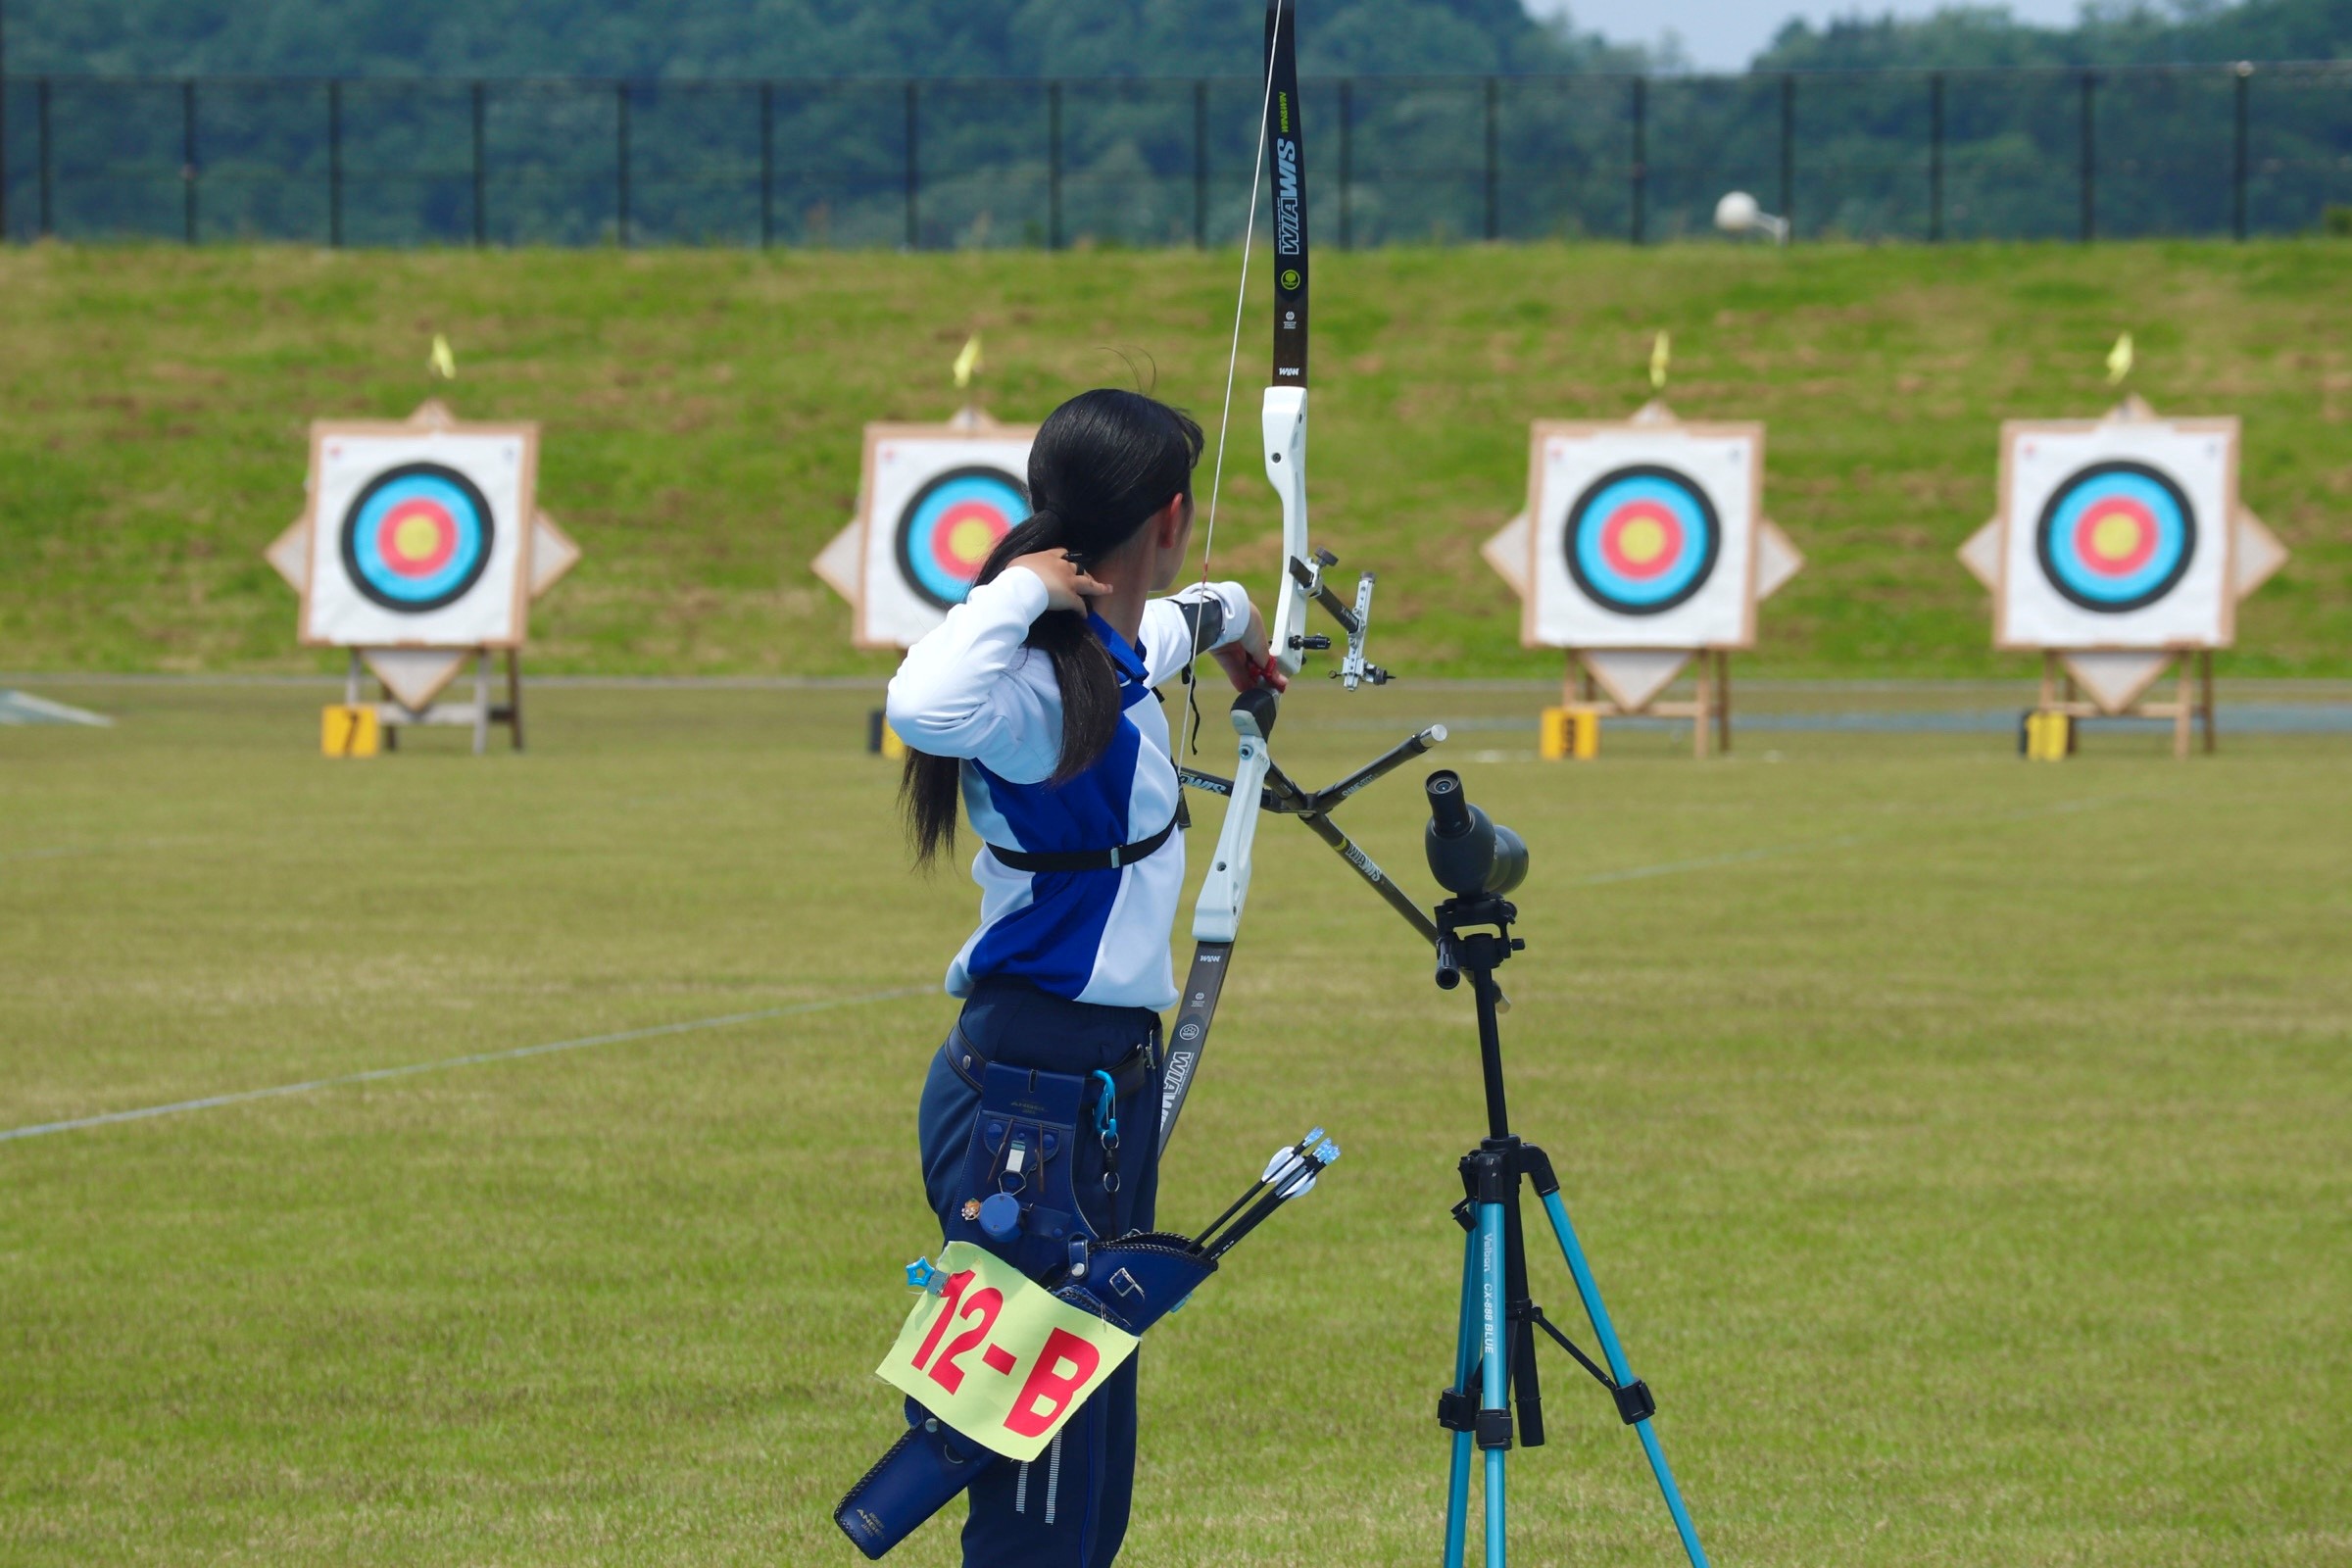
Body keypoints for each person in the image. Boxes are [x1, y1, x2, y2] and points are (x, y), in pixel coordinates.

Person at [884, 387, 1282, 1567]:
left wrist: (1251, 634)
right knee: (1040, 1457)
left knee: (1081, 1429)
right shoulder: (1035, 687)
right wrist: (1020, 589)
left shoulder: (1112, 651)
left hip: (1073, 1077)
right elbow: (920, 700)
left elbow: (1200, 613)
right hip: (1032, 1096)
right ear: (1168, 514)